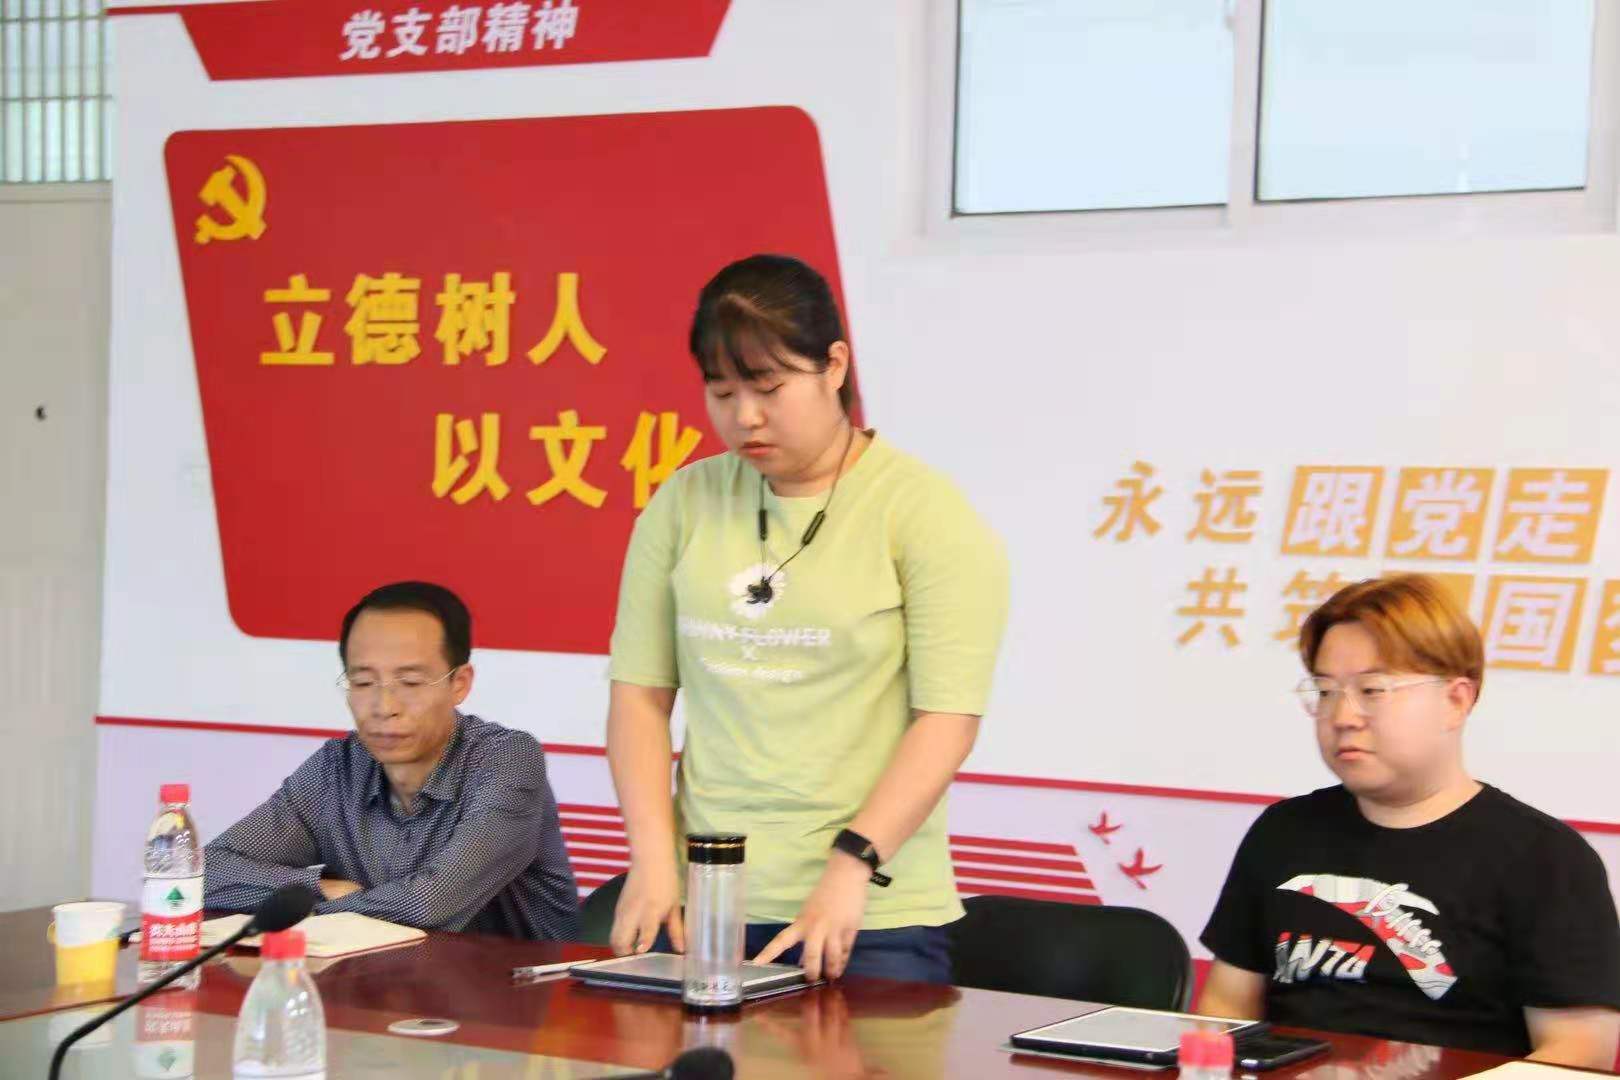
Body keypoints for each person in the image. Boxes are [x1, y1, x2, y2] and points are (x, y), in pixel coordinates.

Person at [605, 254, 1008, 983]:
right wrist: (654, 860)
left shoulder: (923, 512)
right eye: (721, 392)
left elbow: (947, 720)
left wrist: (852, 866)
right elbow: (639, 696)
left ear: (835, 366)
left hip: (868, 913)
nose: (745, 417)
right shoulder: (684, 502)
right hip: (702, 901)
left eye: (769, 387)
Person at [1197, 573, 1619, 1067]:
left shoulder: (1545, 859)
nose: (1342, 716)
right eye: (1326, 691)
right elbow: (1226, 1006)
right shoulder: (1282, 831)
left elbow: (1580, 1052)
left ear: (1455, 701)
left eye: (1372, 689)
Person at [204, 581, 580, 940]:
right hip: (375, 979)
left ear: (459, 684)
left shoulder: (507, 761)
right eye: (363, 683)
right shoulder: (337, 769)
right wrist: (316, 887)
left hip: (513, 980)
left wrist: (305, 907)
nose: (384, 707)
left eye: (411, 683)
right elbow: (205, 872)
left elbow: (427, 904)